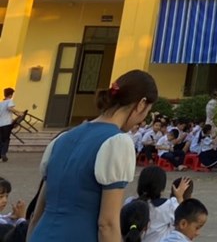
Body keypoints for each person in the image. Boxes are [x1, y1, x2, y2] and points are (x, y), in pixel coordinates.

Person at [28, 69, 157, 242]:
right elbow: (107, 224)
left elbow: (37, 215)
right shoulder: (117, 142)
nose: (142, 120)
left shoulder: (63, 138)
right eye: (147, 111)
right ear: (141, 104)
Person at [0, 89, 21, 164]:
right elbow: (10, 108)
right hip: (6, 124)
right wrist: (19, 112)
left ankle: (0, 154)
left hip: (0, 124)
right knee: (6, 139)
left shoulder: (1, 103)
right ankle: (3, 153)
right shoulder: (9, 101)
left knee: (1, 139)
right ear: (10, 95)